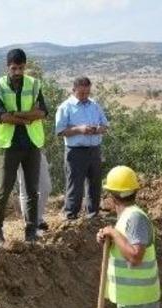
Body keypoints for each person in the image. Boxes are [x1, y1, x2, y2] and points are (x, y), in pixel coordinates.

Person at [96, 166, 161, 308]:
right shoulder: (126, 219)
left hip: (141, 300)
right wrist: (109, 239)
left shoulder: (134, 218)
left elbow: (134, 256)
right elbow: (124, 248)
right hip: (130, 299)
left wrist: (114, 234)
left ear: (112, 195)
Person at [0, 48, 48, 244]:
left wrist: (17, 114)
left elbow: (42, 112)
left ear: (25, 66)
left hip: (32, 143)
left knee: (32, 190)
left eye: (21, 68)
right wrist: (26, 117)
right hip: (9, 145)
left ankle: (31, 233)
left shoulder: (34, 84)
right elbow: (2, 116)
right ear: (8, 67)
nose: (17, 72)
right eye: (14, 68)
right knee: (4, 189)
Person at [56, 76, 109, 220]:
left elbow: (105, 125)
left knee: (95, 183)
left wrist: (98, 129)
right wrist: (79, 130)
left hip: (94, 149)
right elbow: (60, 131)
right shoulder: (65, 107)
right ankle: (71, 216)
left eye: (87, 93)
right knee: (75, 185)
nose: (85, 96)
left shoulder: (95, 105)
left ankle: (93, 214)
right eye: (81, 93)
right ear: (73, 90)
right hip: (75, 152)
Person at [17, 152, 51, 235]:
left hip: (36, 151)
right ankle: (31, 224)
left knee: (46, 188)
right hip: (17, 151)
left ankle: (37, 220)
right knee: (25, 190)